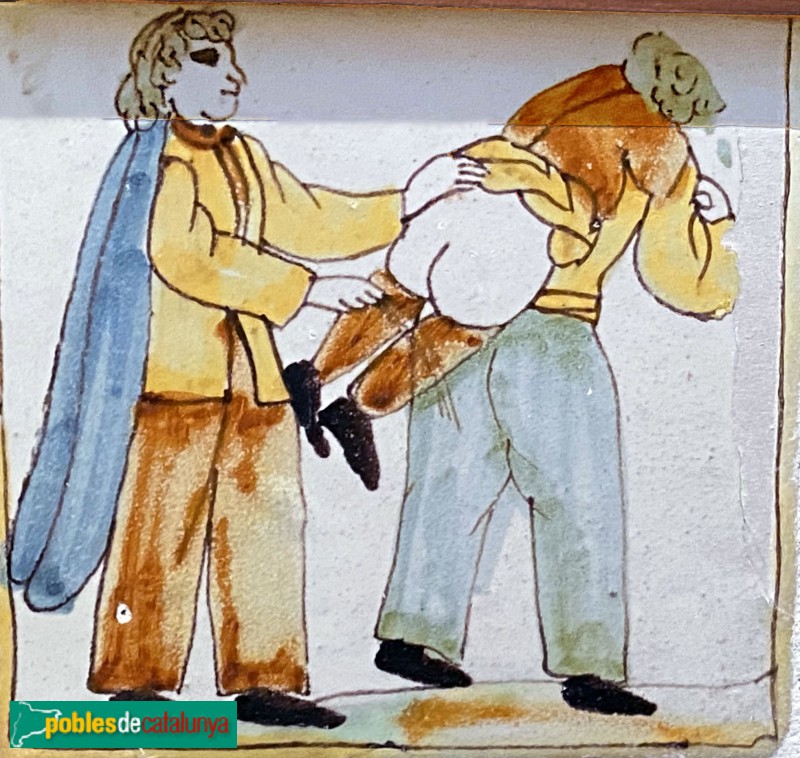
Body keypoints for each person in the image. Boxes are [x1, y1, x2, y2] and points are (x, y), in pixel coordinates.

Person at [8, 8, 484, 728]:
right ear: (165, 76)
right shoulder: (161, 164)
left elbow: (310, 217)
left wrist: (407, 201)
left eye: (229, 60)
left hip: (254, 378)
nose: (232, 75)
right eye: (209, 60)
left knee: (266, 527)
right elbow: (189, 257)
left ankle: (265, 679)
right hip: (176, 377)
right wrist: (304, 288)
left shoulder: (243, 154)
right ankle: (137, 682)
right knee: (159, 531)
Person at [298, 32, 739, 717]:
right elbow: (676, 276)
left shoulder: (552, 106)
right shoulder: (664, 146)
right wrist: (718, 227)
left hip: (463, 314)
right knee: (577, 495)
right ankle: (589, 663)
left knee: (445, 484)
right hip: (553, 325)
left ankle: (414, 631)